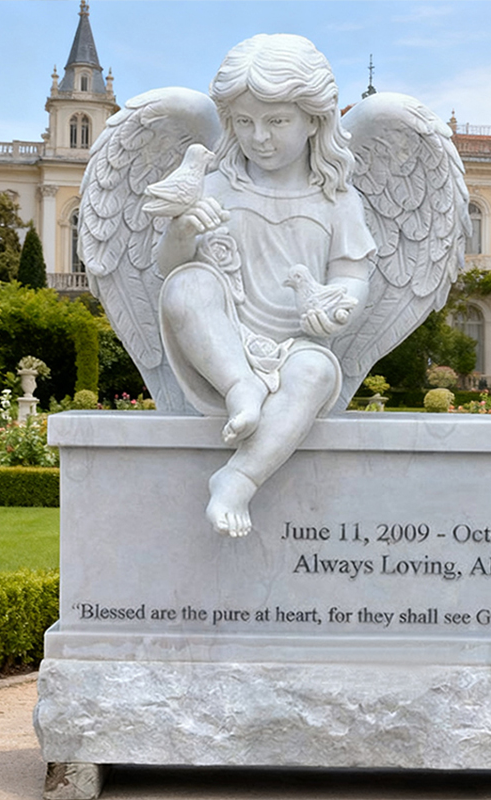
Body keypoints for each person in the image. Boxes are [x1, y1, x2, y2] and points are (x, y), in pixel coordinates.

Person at [156, 34, 376, 537]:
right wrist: (182, 230)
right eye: (244, 122)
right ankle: (242, 386)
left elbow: (351, 276)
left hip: (296, 343)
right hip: (222, 341)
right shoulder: (215, 184)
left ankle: (237, 478)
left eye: (277, 121)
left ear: (315, 120)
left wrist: (337, 306)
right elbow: (167, 268)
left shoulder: (337, 200)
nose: (259, 137)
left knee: (315, 374)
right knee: (186, 286)